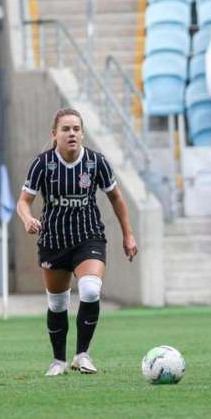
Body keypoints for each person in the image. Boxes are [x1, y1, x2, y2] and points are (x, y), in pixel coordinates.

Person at [16, 108, 138, 376]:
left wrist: (128, 234)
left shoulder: (96, 162)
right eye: (65, 129)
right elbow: (24, 201)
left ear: (82, 133)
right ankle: (58, 361)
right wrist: (27, 219)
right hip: (53, 241)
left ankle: (82, 354)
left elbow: (116, 197)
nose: (71, 133)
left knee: (91, 290)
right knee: (58, 304)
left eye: (75, 129)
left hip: (88, 237)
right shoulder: (43, 164)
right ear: (55, 134)